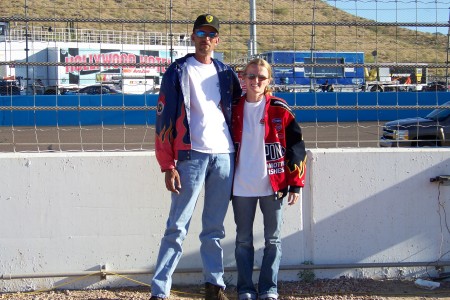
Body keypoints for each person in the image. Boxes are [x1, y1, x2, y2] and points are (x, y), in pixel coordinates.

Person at [151, 13, 242, 300]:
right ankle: (159, 291)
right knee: (177, 226)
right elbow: (164, 118)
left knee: (214, 227)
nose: (205, 40)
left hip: (224, 156)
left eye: (210, 35)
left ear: (217, 40)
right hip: (189, 157)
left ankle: (214, 287)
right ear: (192, 37)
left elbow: (240, 113)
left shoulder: (227, 73)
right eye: (200, 34)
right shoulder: (177, 71)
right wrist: (167, 164)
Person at [231, 58, 307, 300]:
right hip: (241, 186)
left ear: (269, 80)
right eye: (251, 76)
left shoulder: (279, 108)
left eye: (261, 77)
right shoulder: (232, 107)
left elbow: (297, 144)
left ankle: (268, 289)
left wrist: (296, 182)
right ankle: (245, 289)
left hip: (273, 185)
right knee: (243, 241)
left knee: (273, 240)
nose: (255, 81)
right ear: (242, 78)